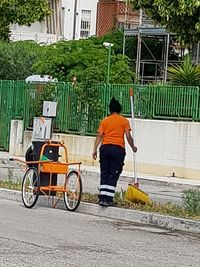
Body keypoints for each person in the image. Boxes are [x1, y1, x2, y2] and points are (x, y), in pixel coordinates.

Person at [92, 97, 137, 207]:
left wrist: (94, 149)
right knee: (113, 174)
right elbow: (128, 136)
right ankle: (108, 199)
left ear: (110, 109)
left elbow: (99, 135)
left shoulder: (105, 121)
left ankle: (102, 198)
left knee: (105, 173)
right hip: (118, 149)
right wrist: (133, 147)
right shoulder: (124, 121)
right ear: (119, 109)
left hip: (105, 148)